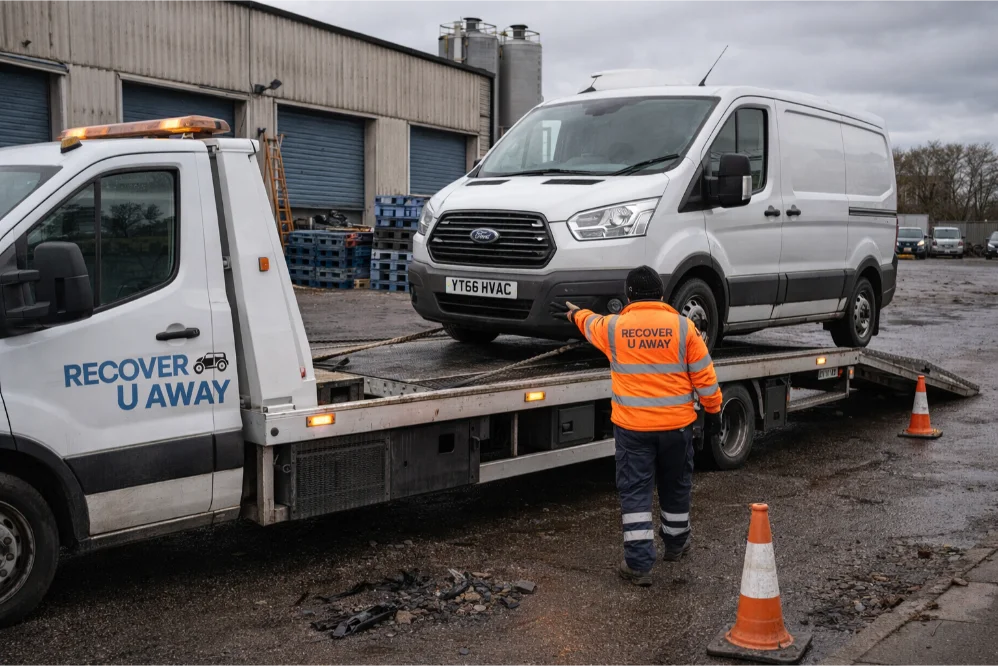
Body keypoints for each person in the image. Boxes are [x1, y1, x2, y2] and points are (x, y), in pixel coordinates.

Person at [551, 266, 722, 586]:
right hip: (677, 428)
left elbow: (590, 322)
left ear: (629, 296)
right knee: (676, 485)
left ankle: (640, 564)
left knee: (636, 492)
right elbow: (705, 378)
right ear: (660, 295)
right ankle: (675, 544)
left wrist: (574, 314)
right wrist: (713, 413)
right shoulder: (684, 328)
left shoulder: (615, 328)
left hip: (634, 431)